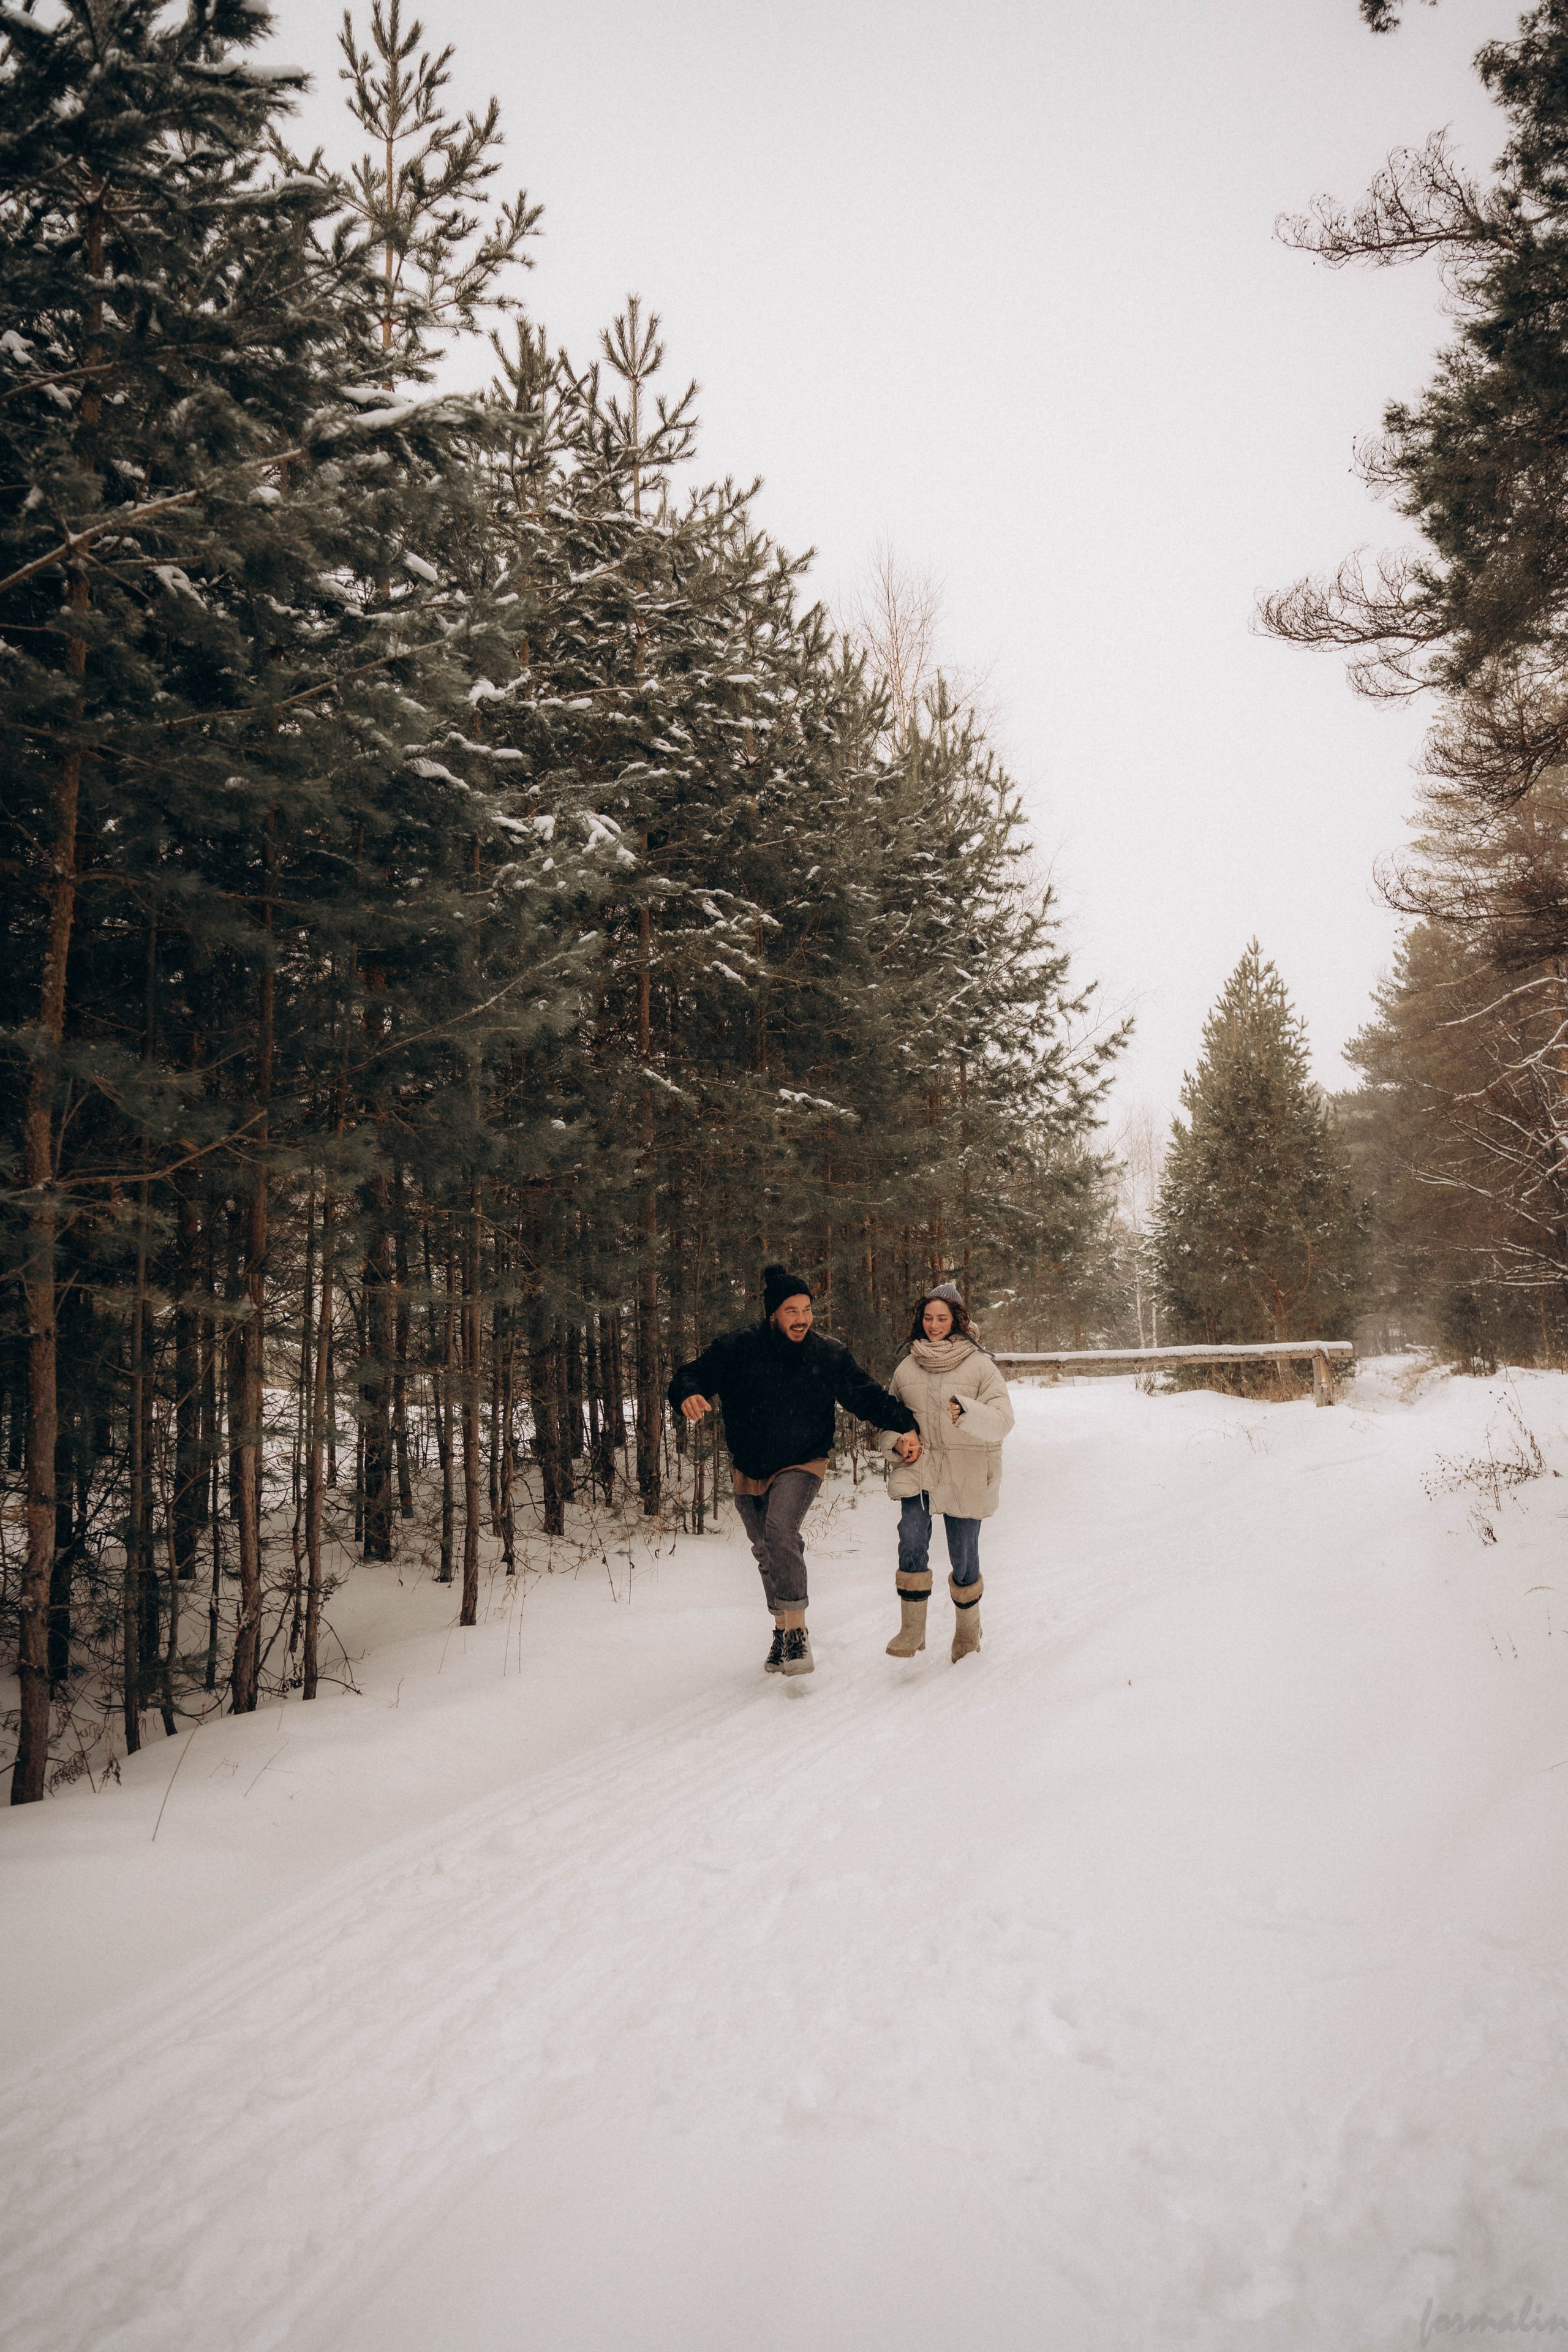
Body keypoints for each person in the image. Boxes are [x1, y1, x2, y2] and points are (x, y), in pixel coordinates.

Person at [668, 1262, 921, 1677]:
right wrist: (688, 1393)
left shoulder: (828, 1353)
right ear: (773, 1314)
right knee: (765, 1548)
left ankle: (799, 1632)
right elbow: (692, 1374)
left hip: (804, 1458)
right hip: (750, 1465)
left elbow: (867, 1397)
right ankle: (781, 1628)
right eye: (792, 1310)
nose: (802, 1318)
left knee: (780, 1529)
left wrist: (906, 1424)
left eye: (807, 1309)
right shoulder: (738, 1348)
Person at [876, 1282, 1014, 1663]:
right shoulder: (907, 1367)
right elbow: (889, 1421)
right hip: (918, 1470)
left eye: (942, 1318)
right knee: (911, 1537)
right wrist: (897, 1442)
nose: (934, 1325)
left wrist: (969, 1412)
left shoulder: (980, 1365)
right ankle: (912, 1629)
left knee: (963, 1554)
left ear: (957, 1321)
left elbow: (1003, 1421)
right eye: (928, 1318)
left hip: (965, 1469)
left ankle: (968, 1633)